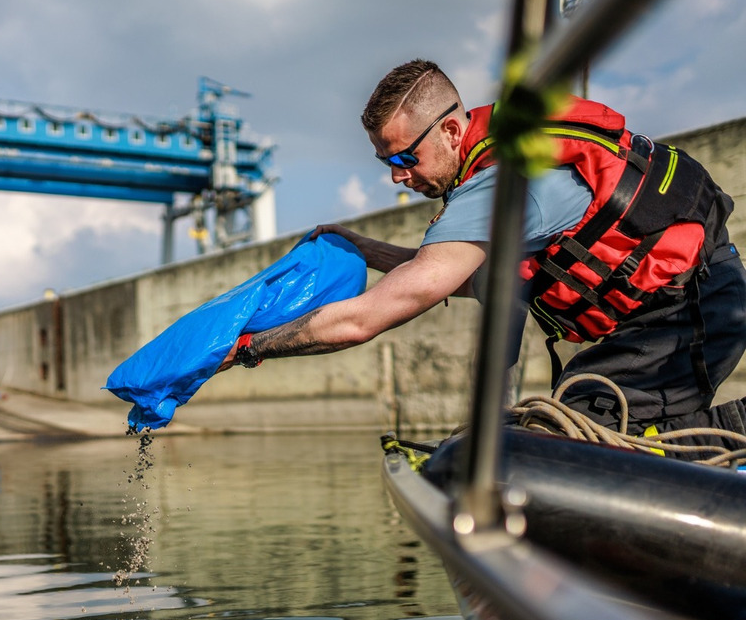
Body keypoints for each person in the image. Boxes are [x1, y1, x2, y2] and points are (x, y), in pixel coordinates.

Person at [221, 59, 746, 446]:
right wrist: (363, 248)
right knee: (571, 419)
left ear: (451, 130)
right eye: (386, 162)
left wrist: (247, 347)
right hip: (678, 306)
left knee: (586, 436)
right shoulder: (496, 164)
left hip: (690, 310)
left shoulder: (497, 186)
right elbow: (477, 283)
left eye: (405, 158)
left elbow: (366, 318)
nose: (397, 176)